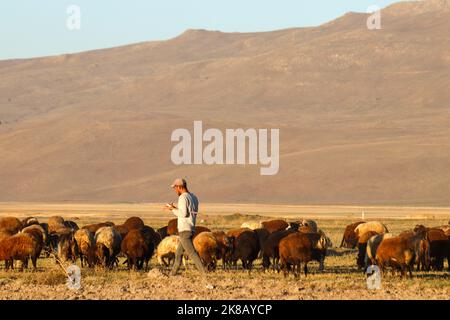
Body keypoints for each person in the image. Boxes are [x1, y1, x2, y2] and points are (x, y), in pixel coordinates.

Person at [164, 178, 207, 276]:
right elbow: (189, 212)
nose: (175, 191)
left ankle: (204, 274)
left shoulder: (183, 197)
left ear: (179, 187)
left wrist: (172, 210)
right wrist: (175, 208)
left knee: (192, 253)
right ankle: (172, 274)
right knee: (178, 254)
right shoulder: (194, 197)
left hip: (184, 229)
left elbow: (183, 214)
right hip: (191, 227)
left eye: (175, 188)